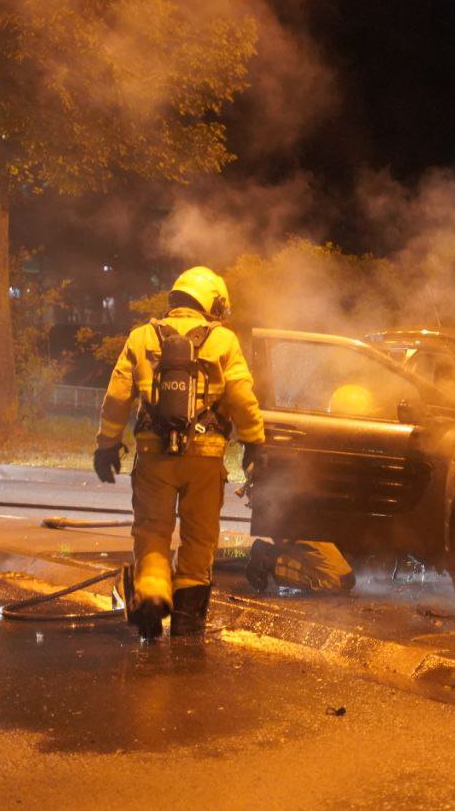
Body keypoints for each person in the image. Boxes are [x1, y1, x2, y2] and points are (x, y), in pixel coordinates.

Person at [93, 266, 265, 640]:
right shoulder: (223, 341)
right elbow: (240, 395)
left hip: (154, 455)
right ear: (213, 303)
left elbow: (118, 395)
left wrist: (106, 445)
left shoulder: (142, 337)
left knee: (152, 531)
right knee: (199, 538)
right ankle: (187, 619)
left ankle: (153, 592)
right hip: (205, 456)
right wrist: (255, 441)